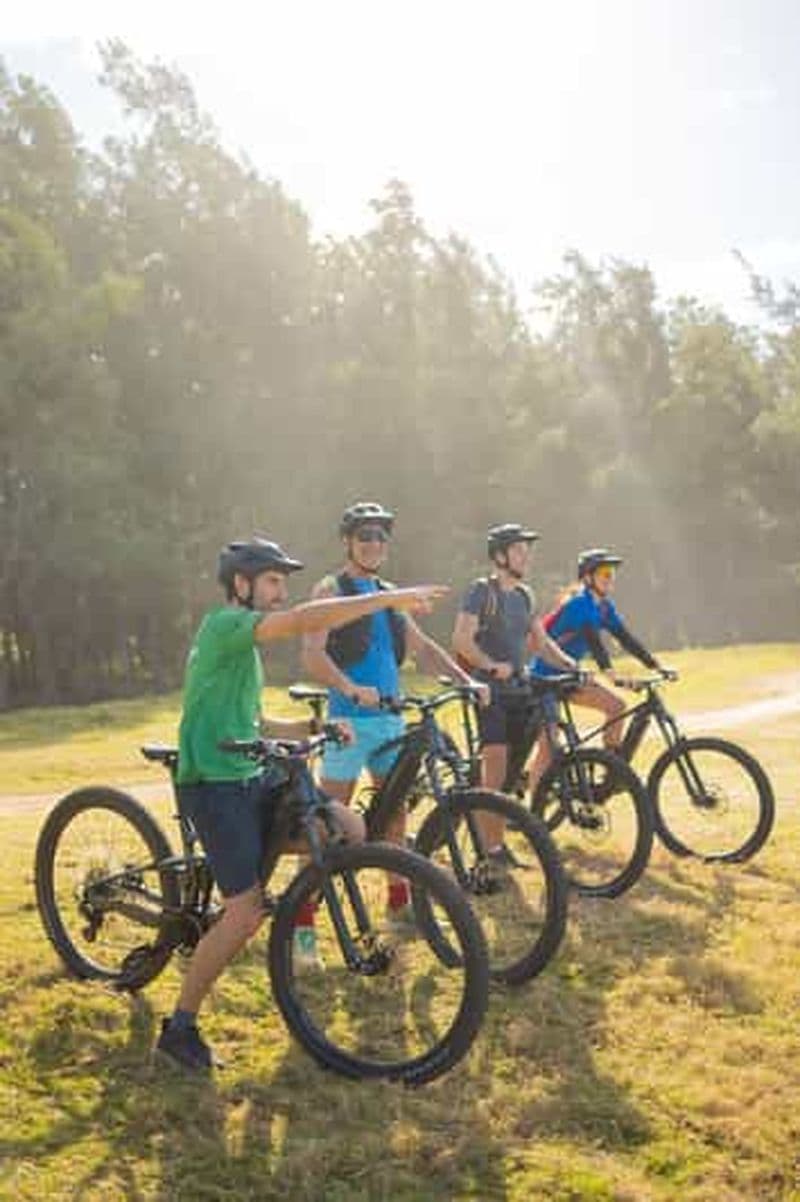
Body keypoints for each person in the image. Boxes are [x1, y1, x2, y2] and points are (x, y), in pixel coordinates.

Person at [155, 535, 446, 1073]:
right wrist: (387, 598)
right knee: (243, 916)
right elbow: (307, 619)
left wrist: (312, 728)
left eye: (282, 583)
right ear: (241, 585)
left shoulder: (243, 652)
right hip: (216, 785)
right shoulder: (224, 626)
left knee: (352, 829)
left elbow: (254, 723)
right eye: (271, 581)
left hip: (254, 774)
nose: (280, 592)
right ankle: (179, 1028)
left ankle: (294, 910)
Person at [301, 502, 489, 930]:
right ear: (348, 542)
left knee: (395, 815)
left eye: (380, 537)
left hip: (389, 720)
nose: (373, 543)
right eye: (364, 536)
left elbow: (422, 648)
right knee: (329, 823)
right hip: (349, 721)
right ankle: (302, 919)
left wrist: (465, 679)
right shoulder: (331, 589)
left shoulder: (389, 595)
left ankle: (399, 906)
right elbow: (311, 655)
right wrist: (349, 688)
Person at [451, 523, 579, 852]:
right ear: (499, 555)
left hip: (518, 690)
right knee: (494, 770)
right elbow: (461, 639)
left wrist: (570, 664)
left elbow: (541, 640)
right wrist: (491, 665)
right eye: (520, 551)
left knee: (508, 777)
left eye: (527, 551)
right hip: (488, 690)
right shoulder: (482, 591)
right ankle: (491, 849)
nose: (527, 557)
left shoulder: (525, 595)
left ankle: (493, 837)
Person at [526, 546, 669, 792]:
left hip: (570, 676)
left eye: (612, 572)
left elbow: (625, 637)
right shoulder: (579, 604)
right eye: (604, 572)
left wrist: (656, 665)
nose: (610, 577)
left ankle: (611, 770)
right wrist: (611, 674)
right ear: (588, 577)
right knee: (549, 747)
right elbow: (594, 641)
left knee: (617, 707)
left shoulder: (604, 606)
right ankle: (532, 811)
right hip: (544, 678)